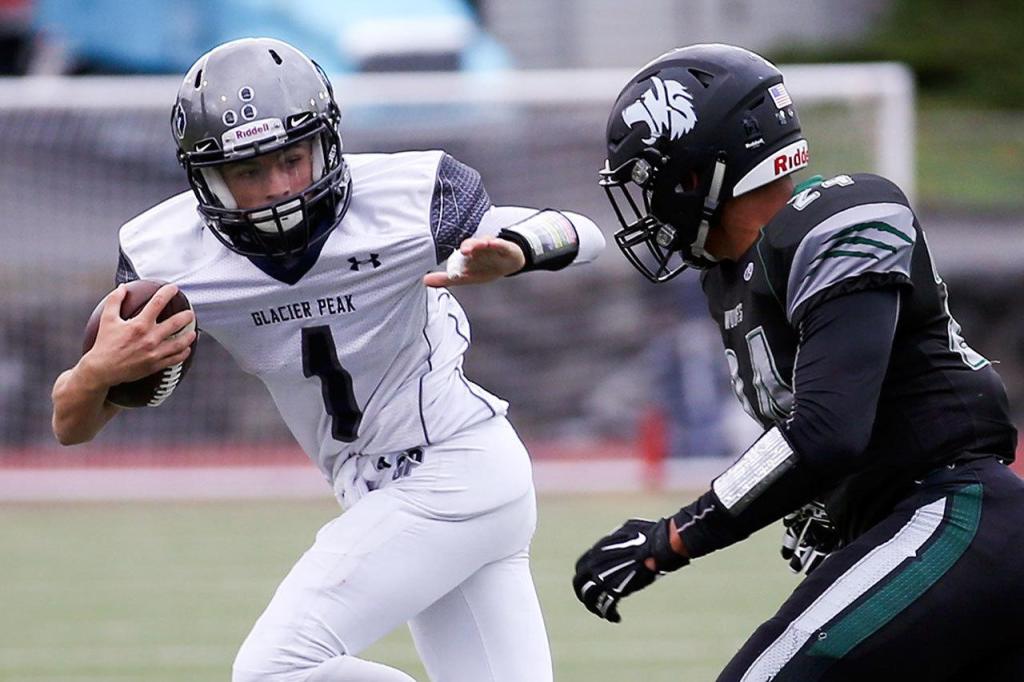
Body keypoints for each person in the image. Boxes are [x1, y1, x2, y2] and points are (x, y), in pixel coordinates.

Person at [51, 37, 605, 682]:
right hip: (403, 488)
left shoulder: (407, 196)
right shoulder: (165, 255)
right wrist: (96, 374)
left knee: (271, 673)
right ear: (205, 179)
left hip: (455, 469)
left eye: (292, 158)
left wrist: (517, 247)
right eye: (249, 172)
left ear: (328, 143)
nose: (280, 187)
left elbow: (579, 231)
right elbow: (72, 426)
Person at [571, 43, 1023, 681]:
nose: (648, 203)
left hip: (953, 519)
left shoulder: (838, 219)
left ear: (696, 174)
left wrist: (674, 537)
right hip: (909, 530)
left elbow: (824, 430)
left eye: (652, 179)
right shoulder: (729, 279)